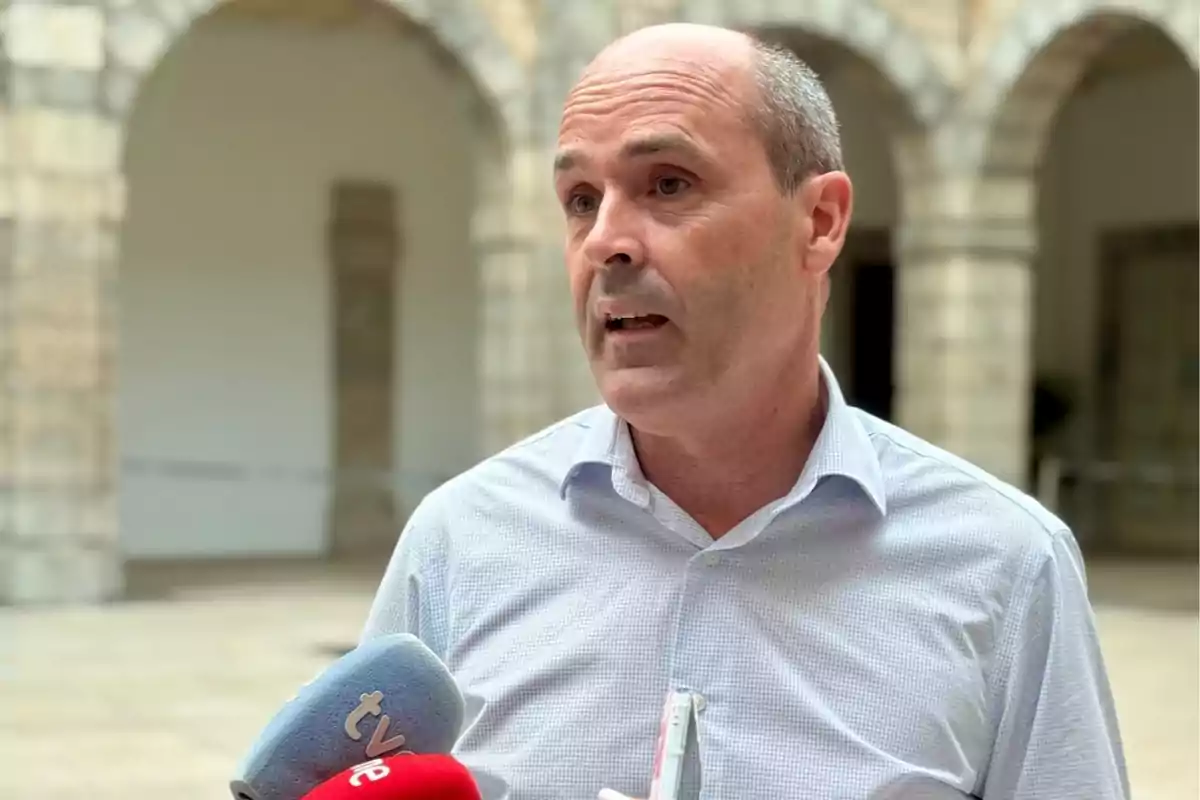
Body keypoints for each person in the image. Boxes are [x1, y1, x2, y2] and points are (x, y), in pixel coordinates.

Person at [360, 22, 1128, 800]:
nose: (606, 243)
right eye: (581, 200)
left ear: (822, 222)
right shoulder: (457, 545)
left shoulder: (1005, 563)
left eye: (669, 184)